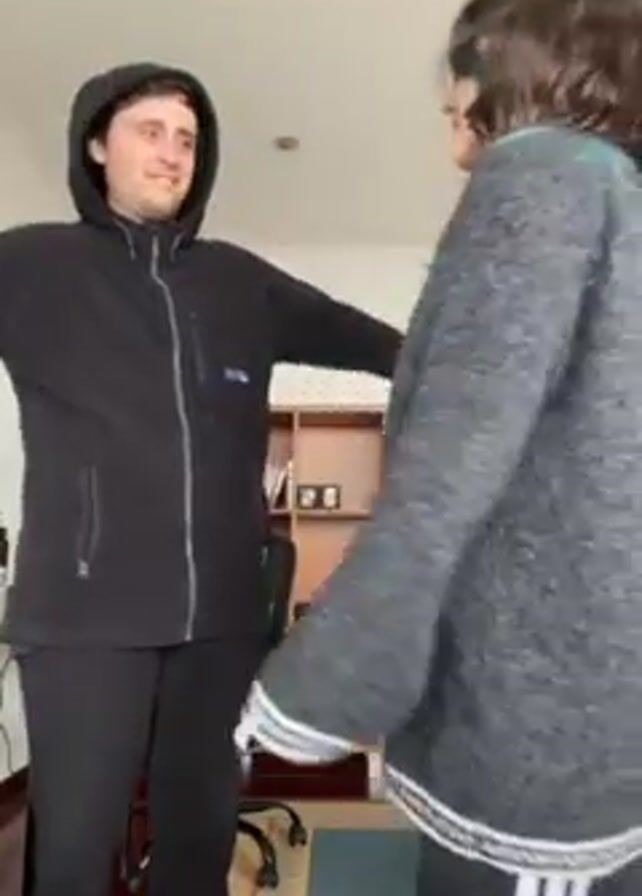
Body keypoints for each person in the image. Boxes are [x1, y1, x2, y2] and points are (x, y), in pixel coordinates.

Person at [236, 1, 642, 893]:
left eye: (460, 68)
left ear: (512, 61)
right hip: (603, 717)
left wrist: (327, 677)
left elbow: (450, 464)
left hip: (535, 734)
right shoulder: (617, 193)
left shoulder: (541, 174)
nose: (448, 99)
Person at [0, 63, 401, 896]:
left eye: (187, 140)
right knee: (73, 858)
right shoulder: (30, 265)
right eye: (150, 132)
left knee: (198, 847)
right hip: (85, 621)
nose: (173, 154)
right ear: (96, 146)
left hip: (220, 624)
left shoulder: (238, 282)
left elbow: (385, 346)